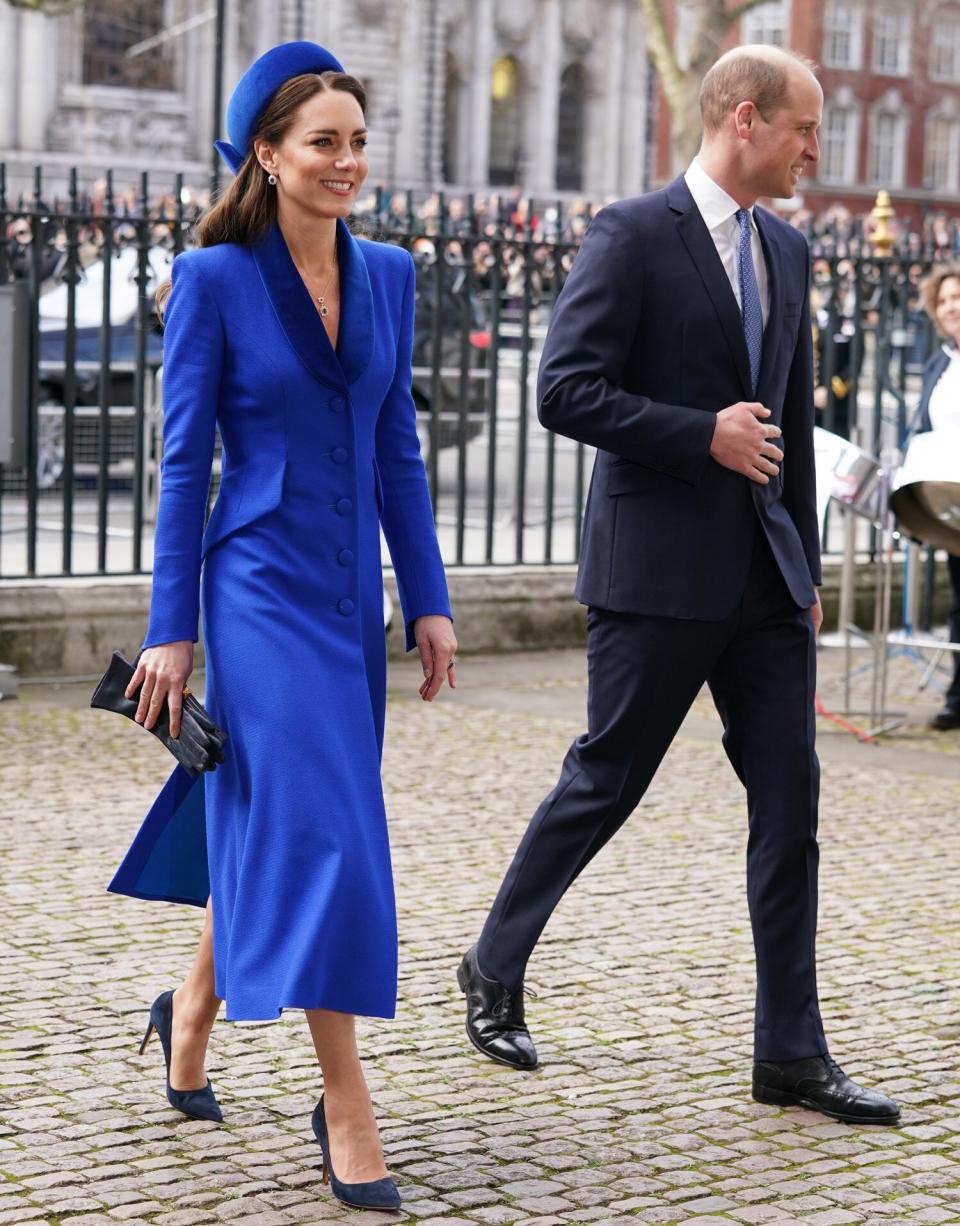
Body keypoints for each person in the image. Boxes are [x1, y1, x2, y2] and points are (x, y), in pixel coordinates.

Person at [457, 45, 900, 1127]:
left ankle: (790, 1051)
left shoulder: (789, 250)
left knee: (791, 809)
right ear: (742, 119)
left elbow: (788, 423)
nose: (815, 148)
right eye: (804, 127)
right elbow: (566, 390)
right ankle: (491, 962)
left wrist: (800, 570)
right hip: (656, 576)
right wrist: (697, 434)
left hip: (762, 585)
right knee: (606, 777)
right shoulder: (630, 233)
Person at [108, 42, 456, 1213]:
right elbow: (181, 464)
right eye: (324, 142)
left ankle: (190, 1011)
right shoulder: (212, 278)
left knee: (275, 811)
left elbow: (398, 449)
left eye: (358, 142)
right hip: (252, 586)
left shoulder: (394, 274)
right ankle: (345, 1100)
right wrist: (173, 630)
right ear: (267, 152)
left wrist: (433, 597)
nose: (348, 161)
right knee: (326, 830)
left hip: (347, 594)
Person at [907, 264, 960, 730]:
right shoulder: (938, 364)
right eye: (944, 301)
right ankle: (958, 697)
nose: (951, 307)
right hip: (952, 499)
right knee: (959, 599)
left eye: (958, 297)